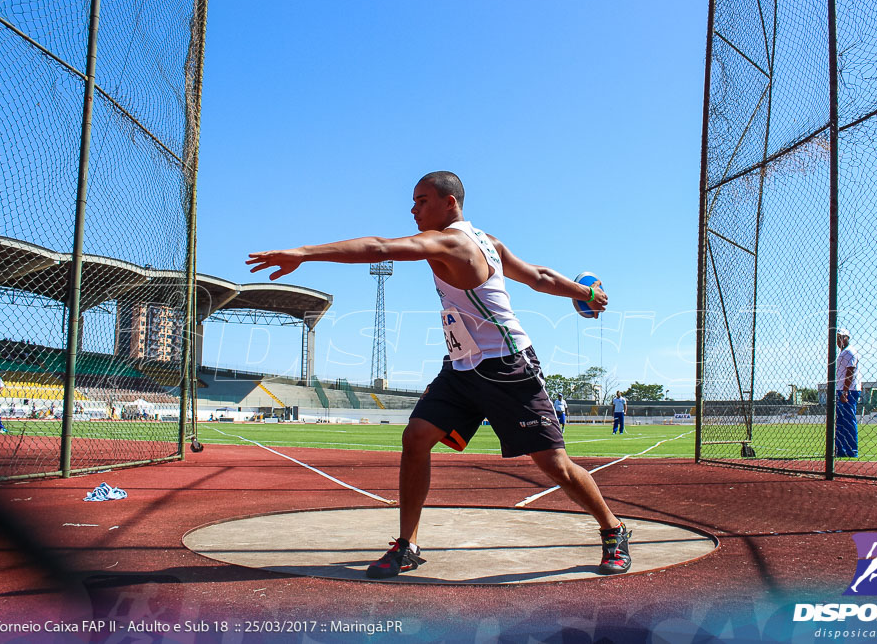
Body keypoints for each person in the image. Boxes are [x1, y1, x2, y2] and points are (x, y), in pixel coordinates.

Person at [246, 171, 632, 578]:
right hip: (462, 366)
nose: (413, 209)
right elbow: (538, 277)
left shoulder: (454, 241)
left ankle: (613, 530)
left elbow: (380, 248)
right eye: (413, 202)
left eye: (421, 200)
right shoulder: (489, 241)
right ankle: (407, 544)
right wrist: (584, 292)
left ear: (450, 202)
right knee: (415, 438)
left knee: (554, 464)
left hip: (507, 365)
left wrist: (303, 253)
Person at [835, 328, 862, 458]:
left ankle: (852, 450)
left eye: (841, 337)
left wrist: (845, 391)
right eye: (837, 338)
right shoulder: (843, 353)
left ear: (846, 338)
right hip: (842, 388)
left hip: (849, 390)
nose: (838, 341)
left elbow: (849, 372)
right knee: (841, 421)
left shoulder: (849, 352)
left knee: (849, 420)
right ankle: (841, 449)